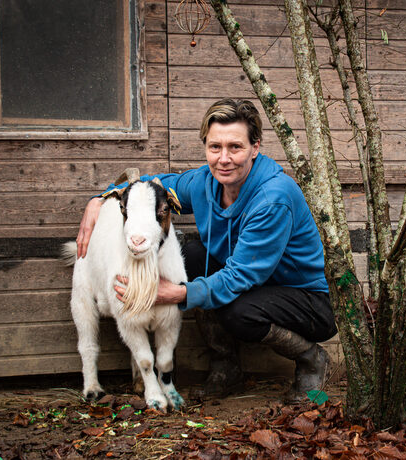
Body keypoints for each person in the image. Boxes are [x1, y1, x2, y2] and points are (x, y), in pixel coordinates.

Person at [76, 98, 337, 401]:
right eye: (215, 147)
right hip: (254, 286)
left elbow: (240, 276)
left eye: (235, 147)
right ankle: (227, 367)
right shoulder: (205, 182)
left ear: (255, 147)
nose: (223, 158)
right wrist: (100, 198)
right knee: (193, 255)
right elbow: (151, 186)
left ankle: (311, 358)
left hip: (304, 300)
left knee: (238, 310)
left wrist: (177, 293)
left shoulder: (273, 198)